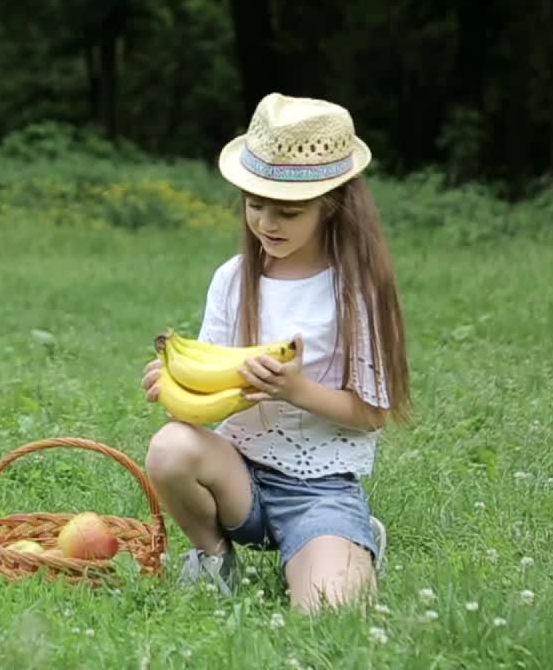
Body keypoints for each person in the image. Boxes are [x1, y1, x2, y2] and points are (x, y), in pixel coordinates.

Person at [140, 93, 412, 614]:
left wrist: (296, 390)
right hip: (237, 475)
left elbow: (373, 412)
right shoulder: (233, 280)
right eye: (255, 204)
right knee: (170, 447)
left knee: (333, 611)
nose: (267, 223)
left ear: (331, 207)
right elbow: (208, 401)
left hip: (319, 490)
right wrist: (174, 391)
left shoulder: (355, 290)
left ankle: (347, 536)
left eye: (288, 211)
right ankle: (212, 556)